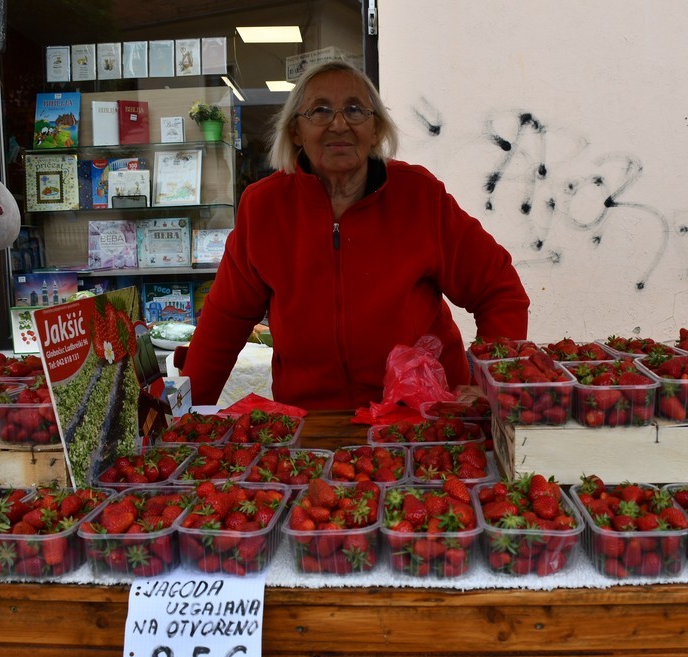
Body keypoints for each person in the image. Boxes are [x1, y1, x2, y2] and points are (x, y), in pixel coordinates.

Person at [179, 60, 529, 410]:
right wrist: (184, 418)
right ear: (296, 131)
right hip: (315, 429)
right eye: (319, 110)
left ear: (376, 129)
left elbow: (499, 290)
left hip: (424, 421)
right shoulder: (263, 208)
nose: (339, 123)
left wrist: (490, 383)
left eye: (355, 110)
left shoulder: (420, 196)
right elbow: (223, 326)